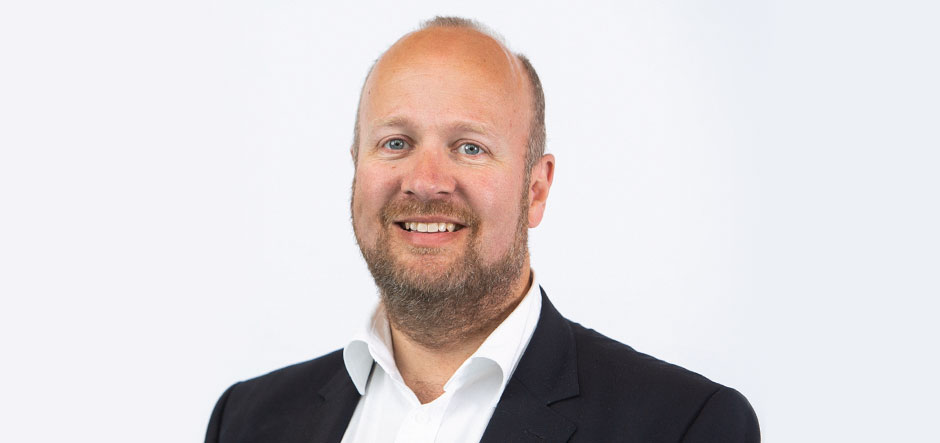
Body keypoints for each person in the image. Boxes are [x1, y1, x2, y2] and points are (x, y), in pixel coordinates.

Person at [205, 16, 760, 443]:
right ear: (357, 167)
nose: (425, 182)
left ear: (535, 189)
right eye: (395, 142)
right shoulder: (247, 421)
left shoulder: (684, 425)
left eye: (469, 147)